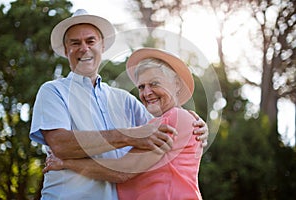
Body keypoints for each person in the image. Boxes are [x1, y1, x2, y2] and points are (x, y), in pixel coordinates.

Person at [30, 9, 208, 200]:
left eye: (91, 41)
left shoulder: (125, 100)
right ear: (66, 51)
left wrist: (196, 127)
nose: (84, 48)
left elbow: (163, 129)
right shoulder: (53, 91)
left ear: (102, 46)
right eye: (75, 43)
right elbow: (60, 145)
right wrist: (129, 136)